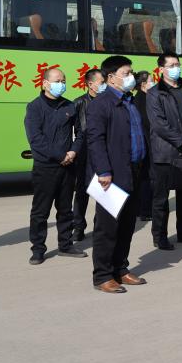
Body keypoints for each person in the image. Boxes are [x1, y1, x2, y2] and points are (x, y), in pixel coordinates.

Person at [86, 55, 148, 294]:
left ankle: (120, 268)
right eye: (126, 73)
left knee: (127, 225)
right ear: (111, 78)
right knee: (107, 227)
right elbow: (95, 140)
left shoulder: (129, 101)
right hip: (111, 175)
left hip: (134, 171)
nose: (131, 77)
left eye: (131, 72)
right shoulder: (101, 104)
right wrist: (103, 171)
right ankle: (103, 275)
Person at [23, 67, 87, 265]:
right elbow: (36, 139)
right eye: (57, 81)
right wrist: (60, 156)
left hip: (68, 166)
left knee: (65, 209)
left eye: (63, 80)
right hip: (46, 167)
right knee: (41, 211)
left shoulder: (69, 106)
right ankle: (38, 249)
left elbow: (80, 133)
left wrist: (73, 152)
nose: (62, 84)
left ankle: (65, 244)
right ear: (45, 83)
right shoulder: (35, 107)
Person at [147, 52, 182, 249]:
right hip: (165, 153)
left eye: (177, 64)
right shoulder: (155, 93)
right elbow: (159, 124)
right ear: (161, 69)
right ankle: (160, 236)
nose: (175, 68)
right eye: (171, 65)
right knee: (161, 199)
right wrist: (181, 141)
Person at [71, 68, 104, 243]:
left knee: (102, 192)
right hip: (83, 154)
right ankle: (78, 227)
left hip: (102, 153)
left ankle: (100, 227)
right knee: (82, 193)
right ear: (90, 84)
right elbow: (71, 131)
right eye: (101, 82)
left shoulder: (108, 102)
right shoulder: (78, 103)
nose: (104, 85)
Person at [134, 70, 155, 222]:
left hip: (146, 143)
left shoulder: (145, 98)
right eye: (151, 81)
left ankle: (141, 208)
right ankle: (145, 210)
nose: (154, 83)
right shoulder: (141, 100)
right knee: (146, 178)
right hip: (146, 144)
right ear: (143, 84)